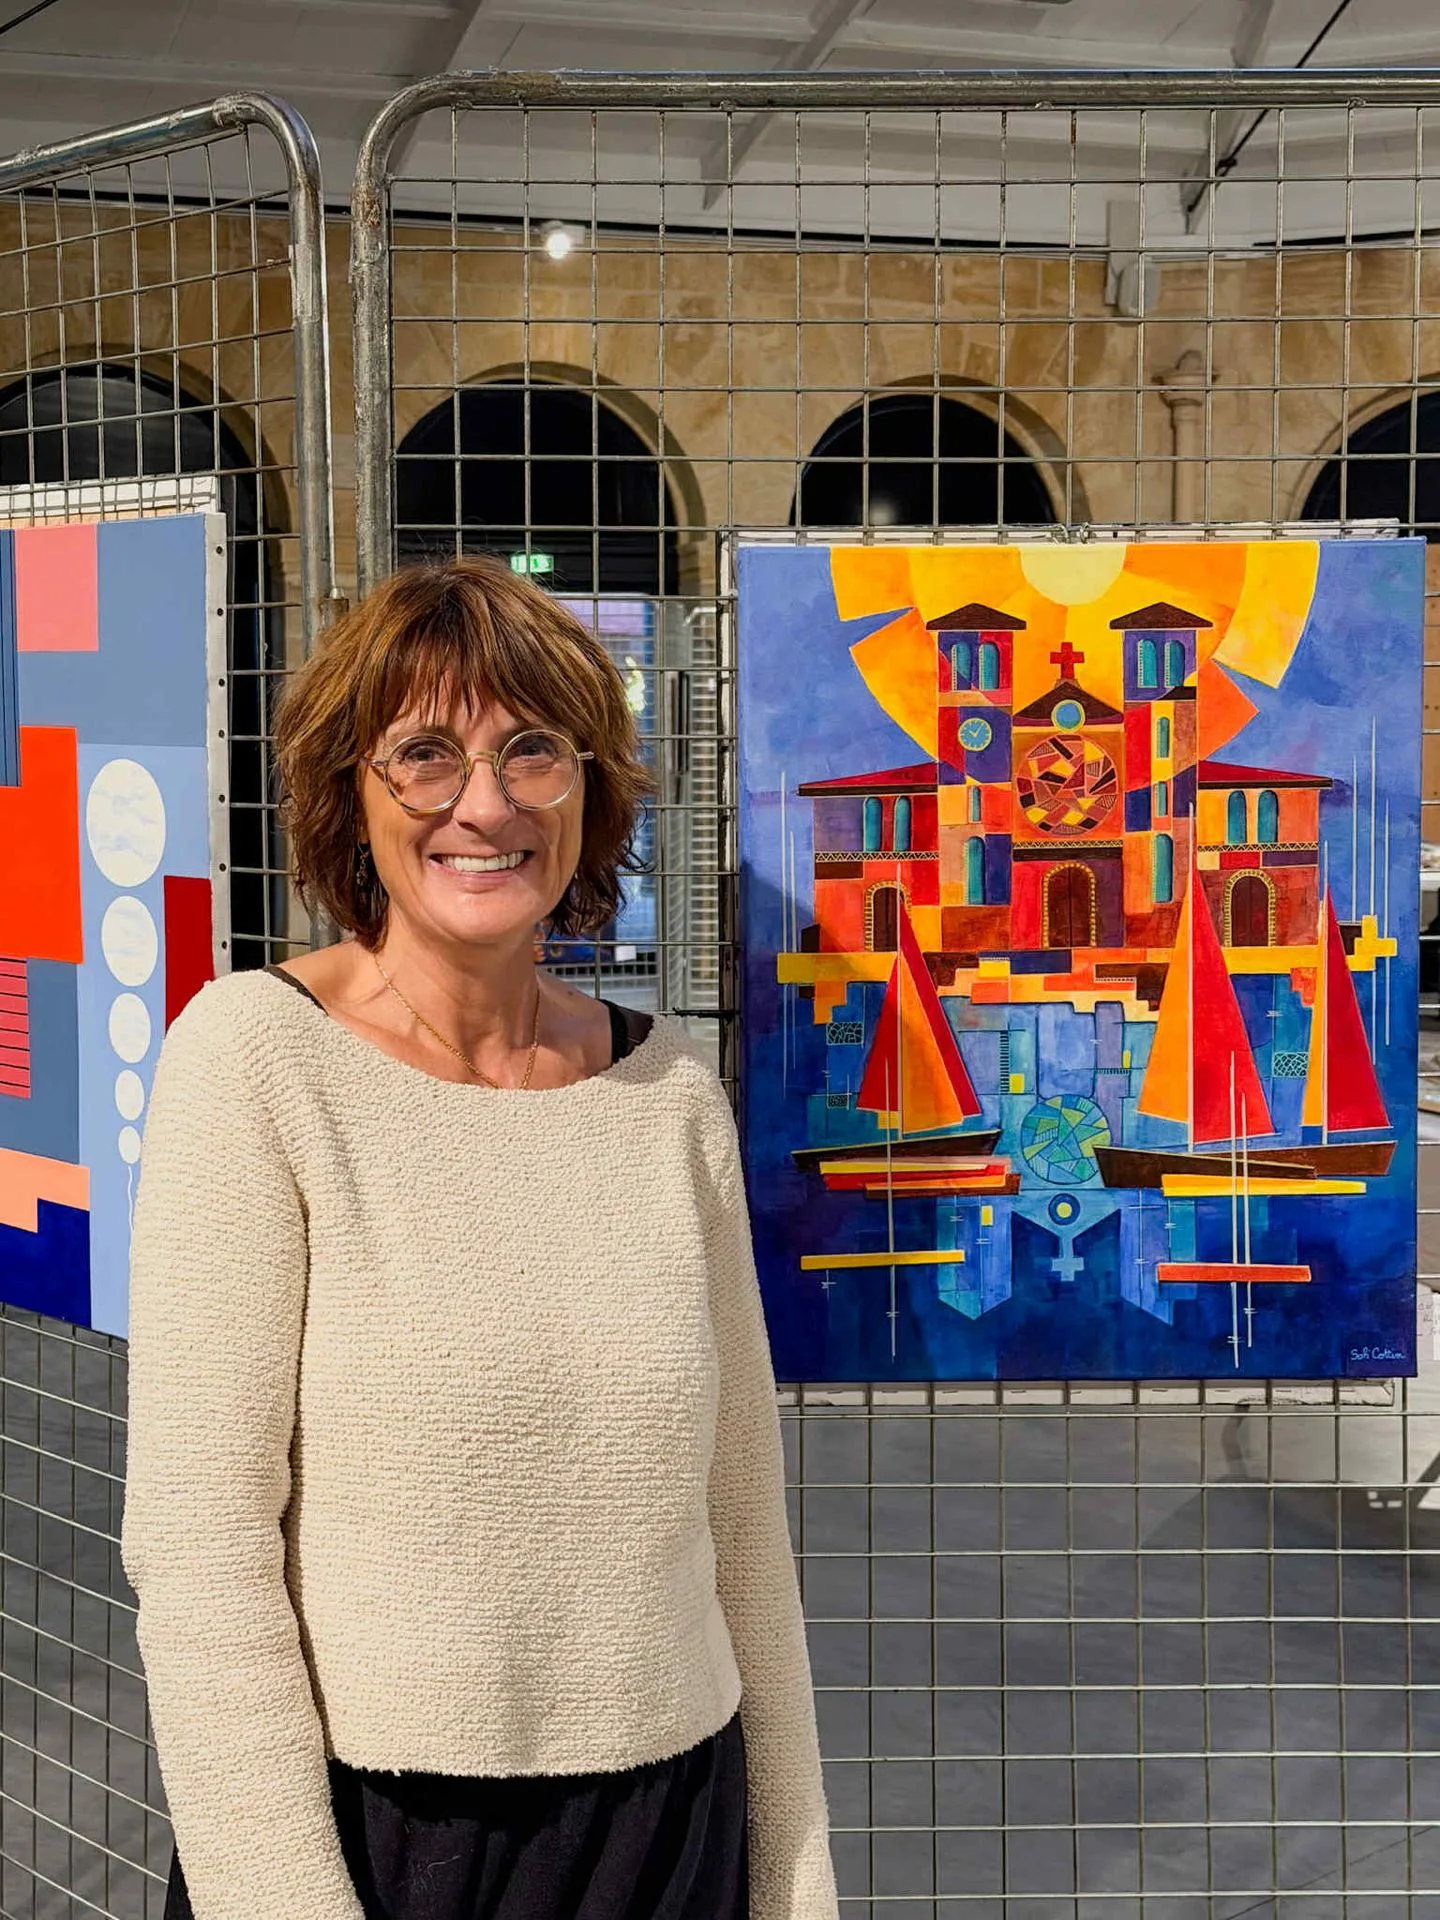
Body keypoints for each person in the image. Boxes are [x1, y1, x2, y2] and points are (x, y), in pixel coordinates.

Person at [122, 558, 839, 1920]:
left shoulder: (670, 1093)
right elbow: (200, 1548)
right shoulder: (259, 1061)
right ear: (350, 792)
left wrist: (796, 1883)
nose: (487, 804)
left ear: (589, 790)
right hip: (379, 1848)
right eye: (425, 755)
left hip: (674, 1837)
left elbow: (745, 1528)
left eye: (532, 751)